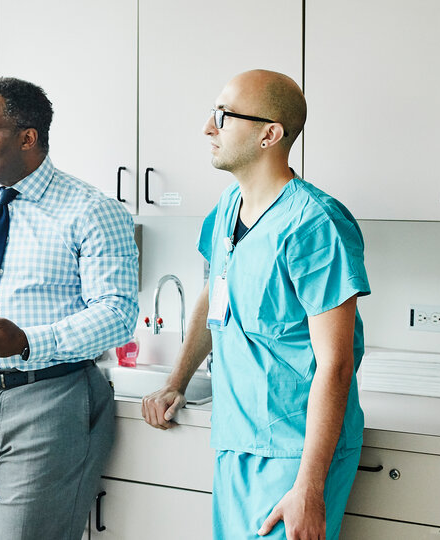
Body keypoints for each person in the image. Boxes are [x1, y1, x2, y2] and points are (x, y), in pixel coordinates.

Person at [141, 70, 370, 540]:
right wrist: (175, 382)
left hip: (293, 453)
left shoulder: (315, 225)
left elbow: (336, 364)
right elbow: (213, 297)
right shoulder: (228, 209)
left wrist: (309, 486)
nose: (208, 127)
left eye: (223, 116)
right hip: (235, 440)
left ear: (270, 134)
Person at [0, 77, 139, 540]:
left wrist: (29, 342)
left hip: (50, 401)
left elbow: (117, 313)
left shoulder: (94, 211)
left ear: (27, 137)